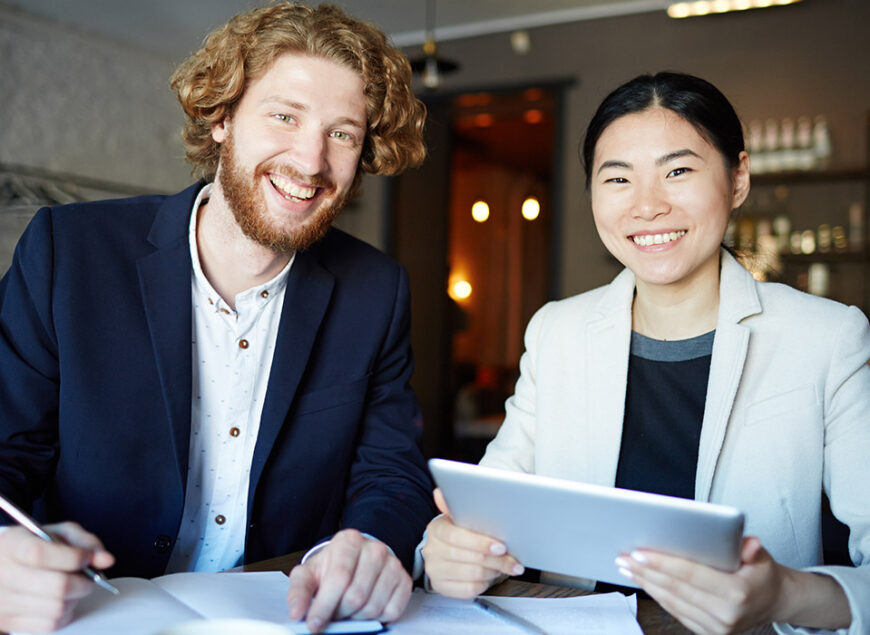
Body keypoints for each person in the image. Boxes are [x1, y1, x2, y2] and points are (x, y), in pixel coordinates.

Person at [0, 3, 437, 632]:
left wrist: (369, 544)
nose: (311, 162)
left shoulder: (377, 289)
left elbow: (389, 471)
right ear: (223, 118)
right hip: (90, 613)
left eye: (342, 133)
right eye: (285, 116)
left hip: (282, 618)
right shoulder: (68, 253)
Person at [422, 72, 870, 634]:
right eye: (618, 179)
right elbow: (483, 513)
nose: (647, 206)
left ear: (737, 179)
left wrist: (785, 593)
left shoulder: (826, 338)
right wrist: (446, 551)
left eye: (678, 171)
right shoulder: (557, 332)